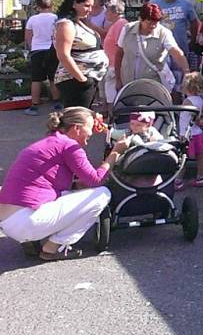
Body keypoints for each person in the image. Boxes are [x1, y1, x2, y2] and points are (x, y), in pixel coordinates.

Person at [0, 107, 129, 261]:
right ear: (77, 128)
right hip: (26, 220)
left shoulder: (51, 142)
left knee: (72, 194)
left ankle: (31, 240)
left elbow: (55, 183)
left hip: (8, 221)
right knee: (102, 194)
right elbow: (96, 180)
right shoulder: (69, 146)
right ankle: (51, 248)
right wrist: (115, 152)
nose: (91, 134)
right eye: (89, 128)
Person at [53, 0, 109, 109]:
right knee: (77, 119)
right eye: (86, 6)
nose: (90, 10)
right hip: (75, 80)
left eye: (92, 6)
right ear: (74, 4)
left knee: (83, 117)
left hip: (87, 77)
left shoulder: (78, 21)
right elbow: (63, 55)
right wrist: (81, 78)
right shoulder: (66, 24)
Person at [115, 3, 190, 91]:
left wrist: (186, 72)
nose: (153, 26)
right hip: (128, 85)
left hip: (153, 87)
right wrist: (118, 80)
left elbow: (176, 53)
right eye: (149, 22)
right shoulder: (127, 29)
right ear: (140, 19)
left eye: (156, 22)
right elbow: (119, 54)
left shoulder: (164, 33)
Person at [149, 0, 199, 89]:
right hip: (159, 49)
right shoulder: (154, 3)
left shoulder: (185, 4)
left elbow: (194, 22)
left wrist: (193, 39)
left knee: (179, 79)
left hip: (179, 46)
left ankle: (178, 103)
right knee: (162, 78)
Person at [24, 0, 60, 115]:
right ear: (51, 6)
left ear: (38, 7)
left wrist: (31, 47)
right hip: (52, 49)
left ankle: (34, 105)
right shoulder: (55, 18)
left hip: (37, 49)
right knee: (53, 77)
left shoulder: (32, 19)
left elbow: (28, 37)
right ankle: (57, 102)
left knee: (36, 79)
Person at [175, 72, 203, 190]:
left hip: (186, 133)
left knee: (182, 158)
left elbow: (186, 115)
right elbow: (202, 114)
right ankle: (200, 177)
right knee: (201, 157)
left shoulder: (187, 101)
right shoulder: (200, 100)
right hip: (198, 133)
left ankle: (178, 180)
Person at [101, 0, 127, 108]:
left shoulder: (120, 24)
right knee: (110, 94)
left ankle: (113, 118)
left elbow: (119, 48)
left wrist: (117, 75)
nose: (105, 14)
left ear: (115, 12)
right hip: (111, 64)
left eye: (107, 11)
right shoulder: (116, 24)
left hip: (115, 66)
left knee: (112, 95)